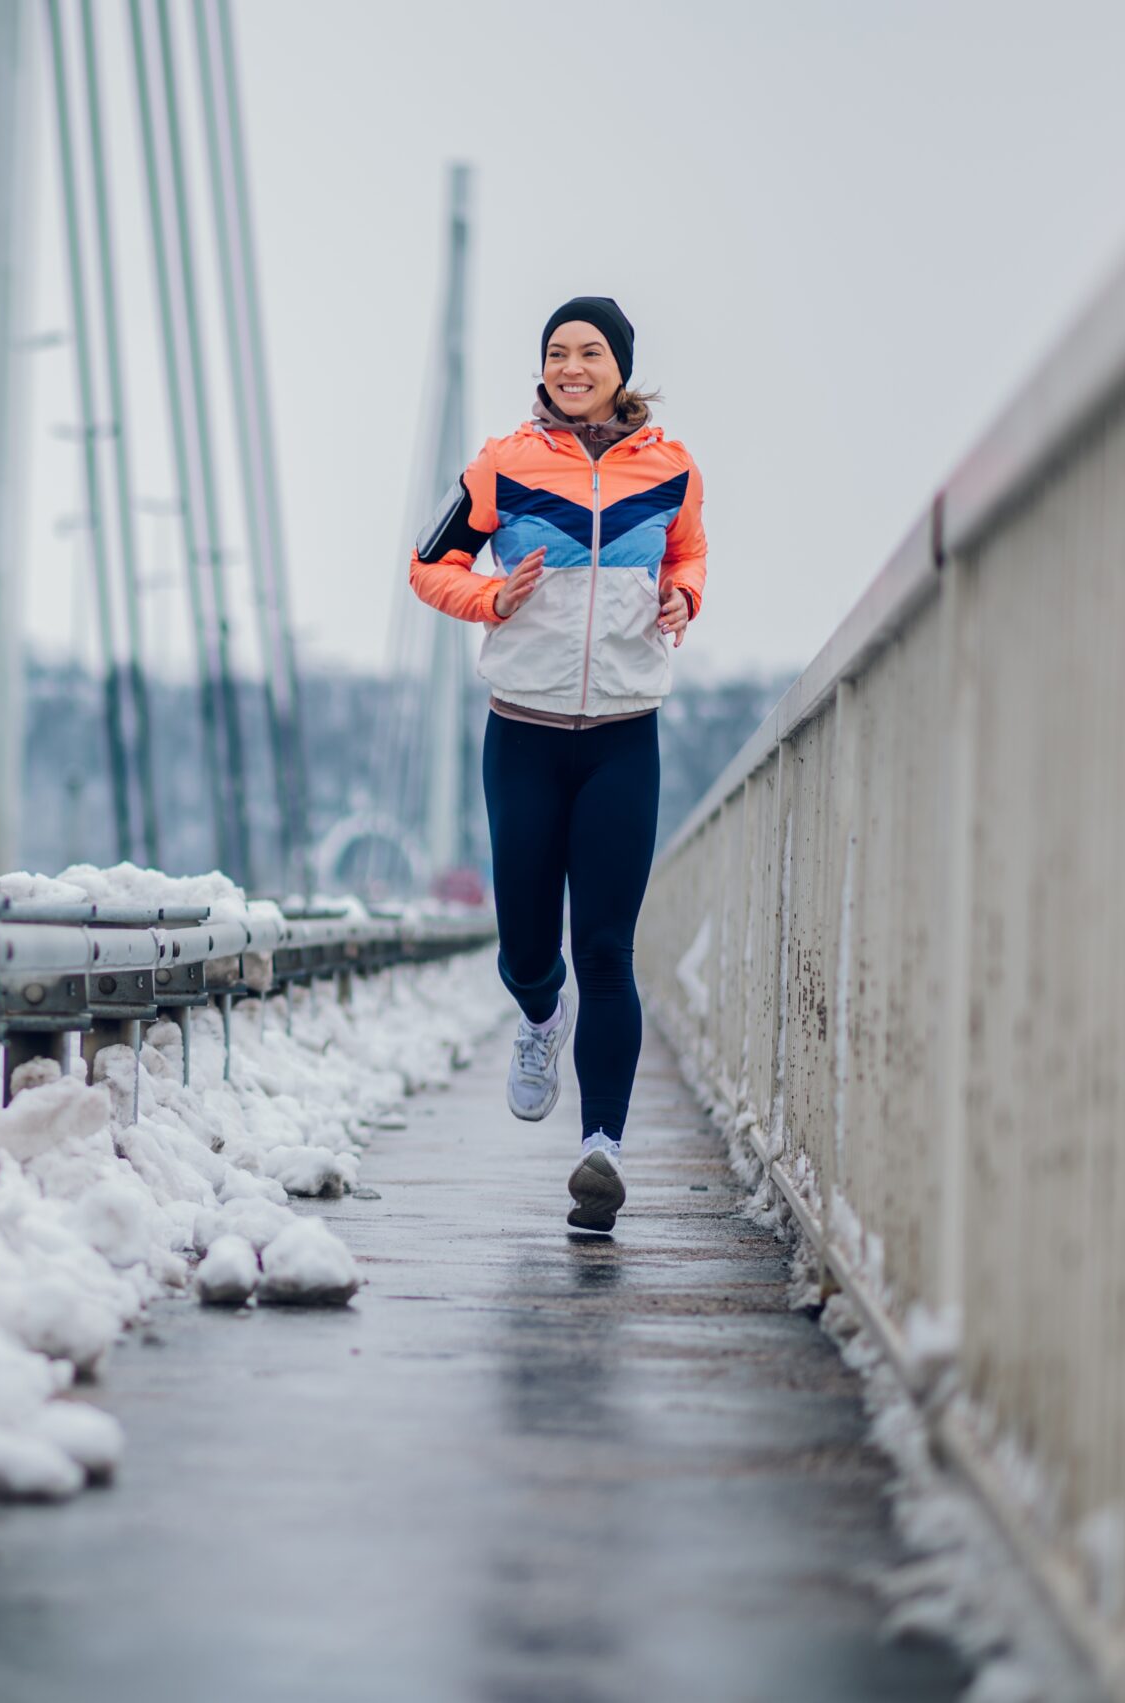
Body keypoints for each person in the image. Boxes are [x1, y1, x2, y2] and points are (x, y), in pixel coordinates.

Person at [405, 296, 706, 1233]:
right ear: (544, 368)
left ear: (620, 366)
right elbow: (428, 563)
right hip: (525, 732)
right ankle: (541, 1019)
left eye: (590, 352)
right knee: (530, 946)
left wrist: (681, 597)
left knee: (606, 949)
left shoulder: (672, 468)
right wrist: (492, 598)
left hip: (624, 732)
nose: (572, 365)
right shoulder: (503, 463)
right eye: (557, 352)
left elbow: (687, 555)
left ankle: (602, 1152)